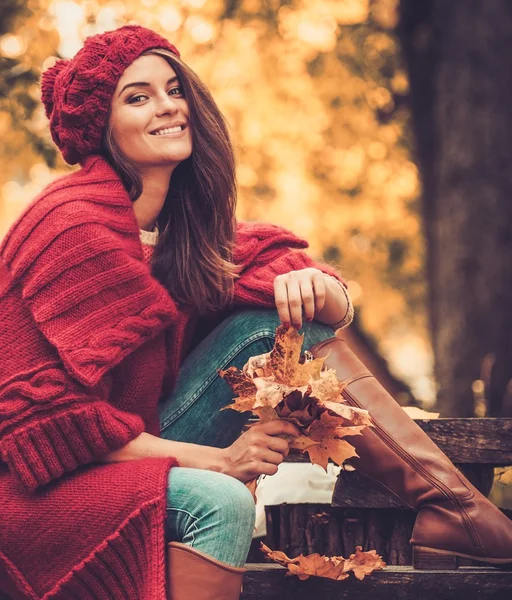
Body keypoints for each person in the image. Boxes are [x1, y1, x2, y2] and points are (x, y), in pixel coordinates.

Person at [0, 25, 354, 600]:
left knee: (284, 318)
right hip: (38, 487)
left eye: (173, 88)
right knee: (221, 498)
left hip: (129, 446)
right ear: (102, 127)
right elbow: (55, 427)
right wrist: (220, 462)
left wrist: (327, 290)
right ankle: (456, 511)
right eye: (137, 97)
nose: (168, 106)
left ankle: (446, 504)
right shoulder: (74, 223)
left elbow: (275, 269)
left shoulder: (170, 234)